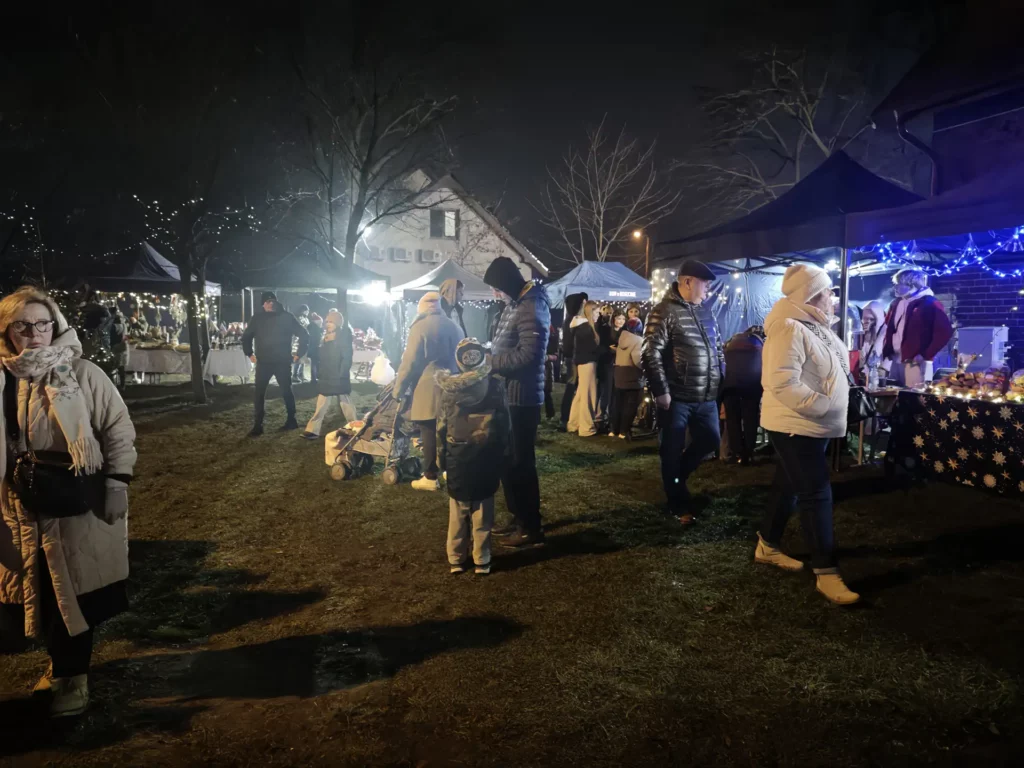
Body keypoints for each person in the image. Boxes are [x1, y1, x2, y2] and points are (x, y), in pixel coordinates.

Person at [0, 287, 137, 717]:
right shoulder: (3, 377)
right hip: (18, 502)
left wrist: (117, 482)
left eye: (42, 323)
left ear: (55, 325)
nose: (33, 333)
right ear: (6, 331)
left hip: (76, 497)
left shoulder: (82, 373)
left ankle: (73, 676)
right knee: (37, 590)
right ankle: (58, 666)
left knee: (72, 591)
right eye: (22, 325)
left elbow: (117, 428)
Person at [757, 264, 859, 605]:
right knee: (816, 493)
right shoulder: (789, 327)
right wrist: (823, 405)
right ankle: (826, 573)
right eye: (827, 291)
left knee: (788, 485)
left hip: (813, 423)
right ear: (812, 294)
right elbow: (781, 381)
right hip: (796, 424)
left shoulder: (815, 326)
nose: (832, 297)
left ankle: (767, 545)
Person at [641, 260, 722, 526]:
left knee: (710, 440)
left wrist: (720, 376)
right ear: (687, 282)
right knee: (671, 451)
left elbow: (717, 347)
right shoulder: (663, 311)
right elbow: (650, 352)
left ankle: (677, 479)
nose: (707, 290)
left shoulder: (706, 312)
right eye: (704, 284)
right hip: (676, 398)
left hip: (706, 397)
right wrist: (661, 390)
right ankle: (677, 502)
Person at [482, 256, 550, 548]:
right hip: (507, 395)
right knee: (508, 461)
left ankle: (530, 525)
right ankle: (517, 515)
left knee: (521, 463)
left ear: (507, 283)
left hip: (522, 398)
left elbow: (529, 354)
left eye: (497, 287)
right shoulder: (515, 305)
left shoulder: (532, 306)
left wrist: (491, 363)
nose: (495, 293)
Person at [435, 338, 511, 576]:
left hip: (457, 455)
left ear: (459, 361)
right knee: (483, 510)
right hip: (487, 453)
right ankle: (482, 558)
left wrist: (440, 460)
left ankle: (456, 558)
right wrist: (504, 452)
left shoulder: (448, 390)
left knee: (458, 511)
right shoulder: (495, 386)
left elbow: (441, 427)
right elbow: (504, 423)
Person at [393, 291, 464, 491]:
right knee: (449, 430)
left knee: (429, 430)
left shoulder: (420, 326)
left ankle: (430, 476)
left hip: (429, 384)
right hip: (452, 384)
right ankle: (450, 470)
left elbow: (409, 362)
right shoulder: (454, 326)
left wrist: (398, 389)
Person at [242, 291, 308, 437]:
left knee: (286, 391)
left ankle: (292, 420)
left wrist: (299, 353)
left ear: (276, 302)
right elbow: (246, 337)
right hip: (264, 362)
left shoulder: (286, 317)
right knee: (259, 393)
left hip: (282, 362)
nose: (270, 304)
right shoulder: (257, 318)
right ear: (263, 304)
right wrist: (249, 353)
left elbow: (303, 334)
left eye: (272, 301)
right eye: (267, 302)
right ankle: (258, 424)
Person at [882, 268, 953, 388]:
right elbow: (889, 327)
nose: (895, 287)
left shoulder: (930, 304)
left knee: (914, 395)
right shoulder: (897, 303)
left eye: (899, 284)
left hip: (915, 361)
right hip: (895, 359)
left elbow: (944, 332)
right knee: (892, 392)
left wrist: (925, 355)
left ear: (912, 285)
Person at [302, 309, 356, 440]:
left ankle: (355, 428)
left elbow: (347, 357)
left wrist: (341, 374)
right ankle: (313, 430)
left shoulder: (343, 337)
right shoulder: (325, 337)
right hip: (326, 375)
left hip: (338, 375)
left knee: (346, 403)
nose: (328, 324)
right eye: (327, 322)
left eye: (331, 322)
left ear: (337, 323)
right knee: (321, 403)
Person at [721, 326, 765, 465]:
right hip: (752, 385)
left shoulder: (732, 341)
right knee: (750, 419)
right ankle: (749, 452)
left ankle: (737, 453)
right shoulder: (760, 344)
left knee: (732, 419)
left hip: (729, 385)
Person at [567, 301, 602, 437]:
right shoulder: (586, 328)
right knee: (588, 395)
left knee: (581, 394)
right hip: (587, 363)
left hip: (583, 362)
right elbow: (591, 348)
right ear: (590, 312)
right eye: (596, 312)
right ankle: (586, 428)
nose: (598, 315)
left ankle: (574, 424)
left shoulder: (581, 326)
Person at [609, 316, 644, 439]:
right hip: (632, 374)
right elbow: (637, 360)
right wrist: (645, 367)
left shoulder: (622, 337)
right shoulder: (638, 340)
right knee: (630, 404)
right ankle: (624, 431)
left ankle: (614, 429)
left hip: (619, 373)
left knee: (618, 403)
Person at [558, 293, 588, 431]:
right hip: (574, 359)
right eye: (582, 303)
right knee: (571, 387)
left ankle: (568, 417)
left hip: (572, 358)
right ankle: (565, 418)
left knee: (572, 387)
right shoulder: (574, 321)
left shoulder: (569, 320)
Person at [858, 301, 888, 387]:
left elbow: (888, 357)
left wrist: (882, 370)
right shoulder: (864, 334)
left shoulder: (885, 333)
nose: (867, 322)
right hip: (866, 377)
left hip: (880, 377)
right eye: (865, 319)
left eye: (871, 319)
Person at [595, 304, 615, 424]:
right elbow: (600, 344)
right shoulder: (599, 326)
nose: (608, 315)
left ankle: (602, 413)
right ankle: (600, 413)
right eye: (606, 312)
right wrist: (609, 349)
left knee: (605, 389)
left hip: (607, 360)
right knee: (603, 388)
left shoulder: (610, 326)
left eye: (610, 313)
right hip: (603, 360)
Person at [292, 304, 311, 383]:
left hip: (305, 339)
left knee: (303, 357)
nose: (308, 312)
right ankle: (295, 375)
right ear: (303, 310)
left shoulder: (306, 319)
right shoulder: (298, 318)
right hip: (298, 340)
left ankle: (301, 374)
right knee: (299, 357)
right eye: (307, 311)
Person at [544, 323, 559, 419]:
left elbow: (556, 355)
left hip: (546, 366)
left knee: (546, 391)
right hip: (541, 366)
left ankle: (550, 412)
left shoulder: (552, 336)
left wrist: (548, 357)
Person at [307, 312, 324, 385]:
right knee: (314, 364)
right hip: (315, 349)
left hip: (312, 348)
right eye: (320, 322)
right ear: (317, 322)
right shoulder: (315, 329)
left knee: (314, 364)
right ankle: (314, 379)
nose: (321, 324)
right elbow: (317, 340)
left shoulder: (312, 328)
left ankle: (314, 378)